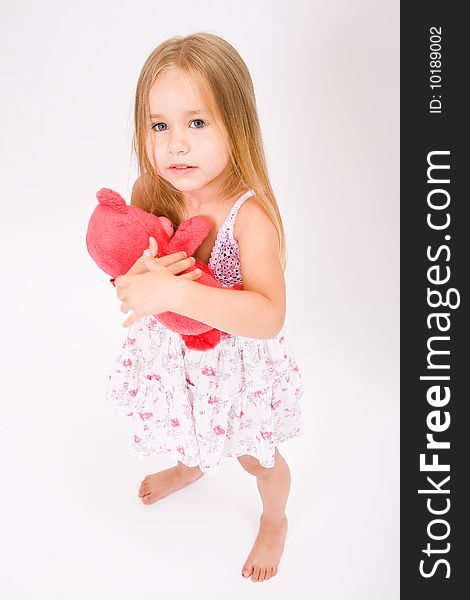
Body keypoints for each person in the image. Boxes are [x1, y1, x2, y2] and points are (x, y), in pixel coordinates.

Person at [106, 32, 304, 583]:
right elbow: (132, 262)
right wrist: (131, 281)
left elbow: (268, 316)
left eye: (197, 123)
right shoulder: (153, 189)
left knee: (256, 458)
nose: (176, 146)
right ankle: (191, 464)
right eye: (159, 125)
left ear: (235, 125)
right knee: (183, 419)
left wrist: (175, 293)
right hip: (179, 360)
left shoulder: (248, 218)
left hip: (236, 369)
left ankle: (275, 518)